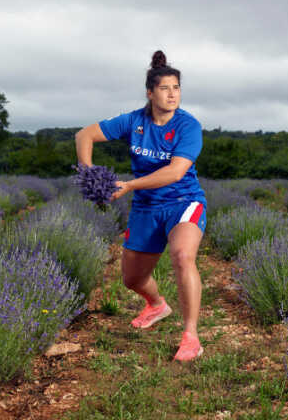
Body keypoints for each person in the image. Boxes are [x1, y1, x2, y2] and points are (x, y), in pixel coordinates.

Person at [74, 50, 207, 362]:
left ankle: (191, 336)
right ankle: (158, 304)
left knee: (182, 256)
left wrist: (129, 185)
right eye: (165, 88)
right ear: (150, 93)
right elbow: (84, 135)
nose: (172, 94)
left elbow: (175, 171)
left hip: (183, 202)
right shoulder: (134, 121)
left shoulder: (189, 126)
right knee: (132, 279)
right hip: (147, 207)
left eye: (177, 88)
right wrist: (89, 173)